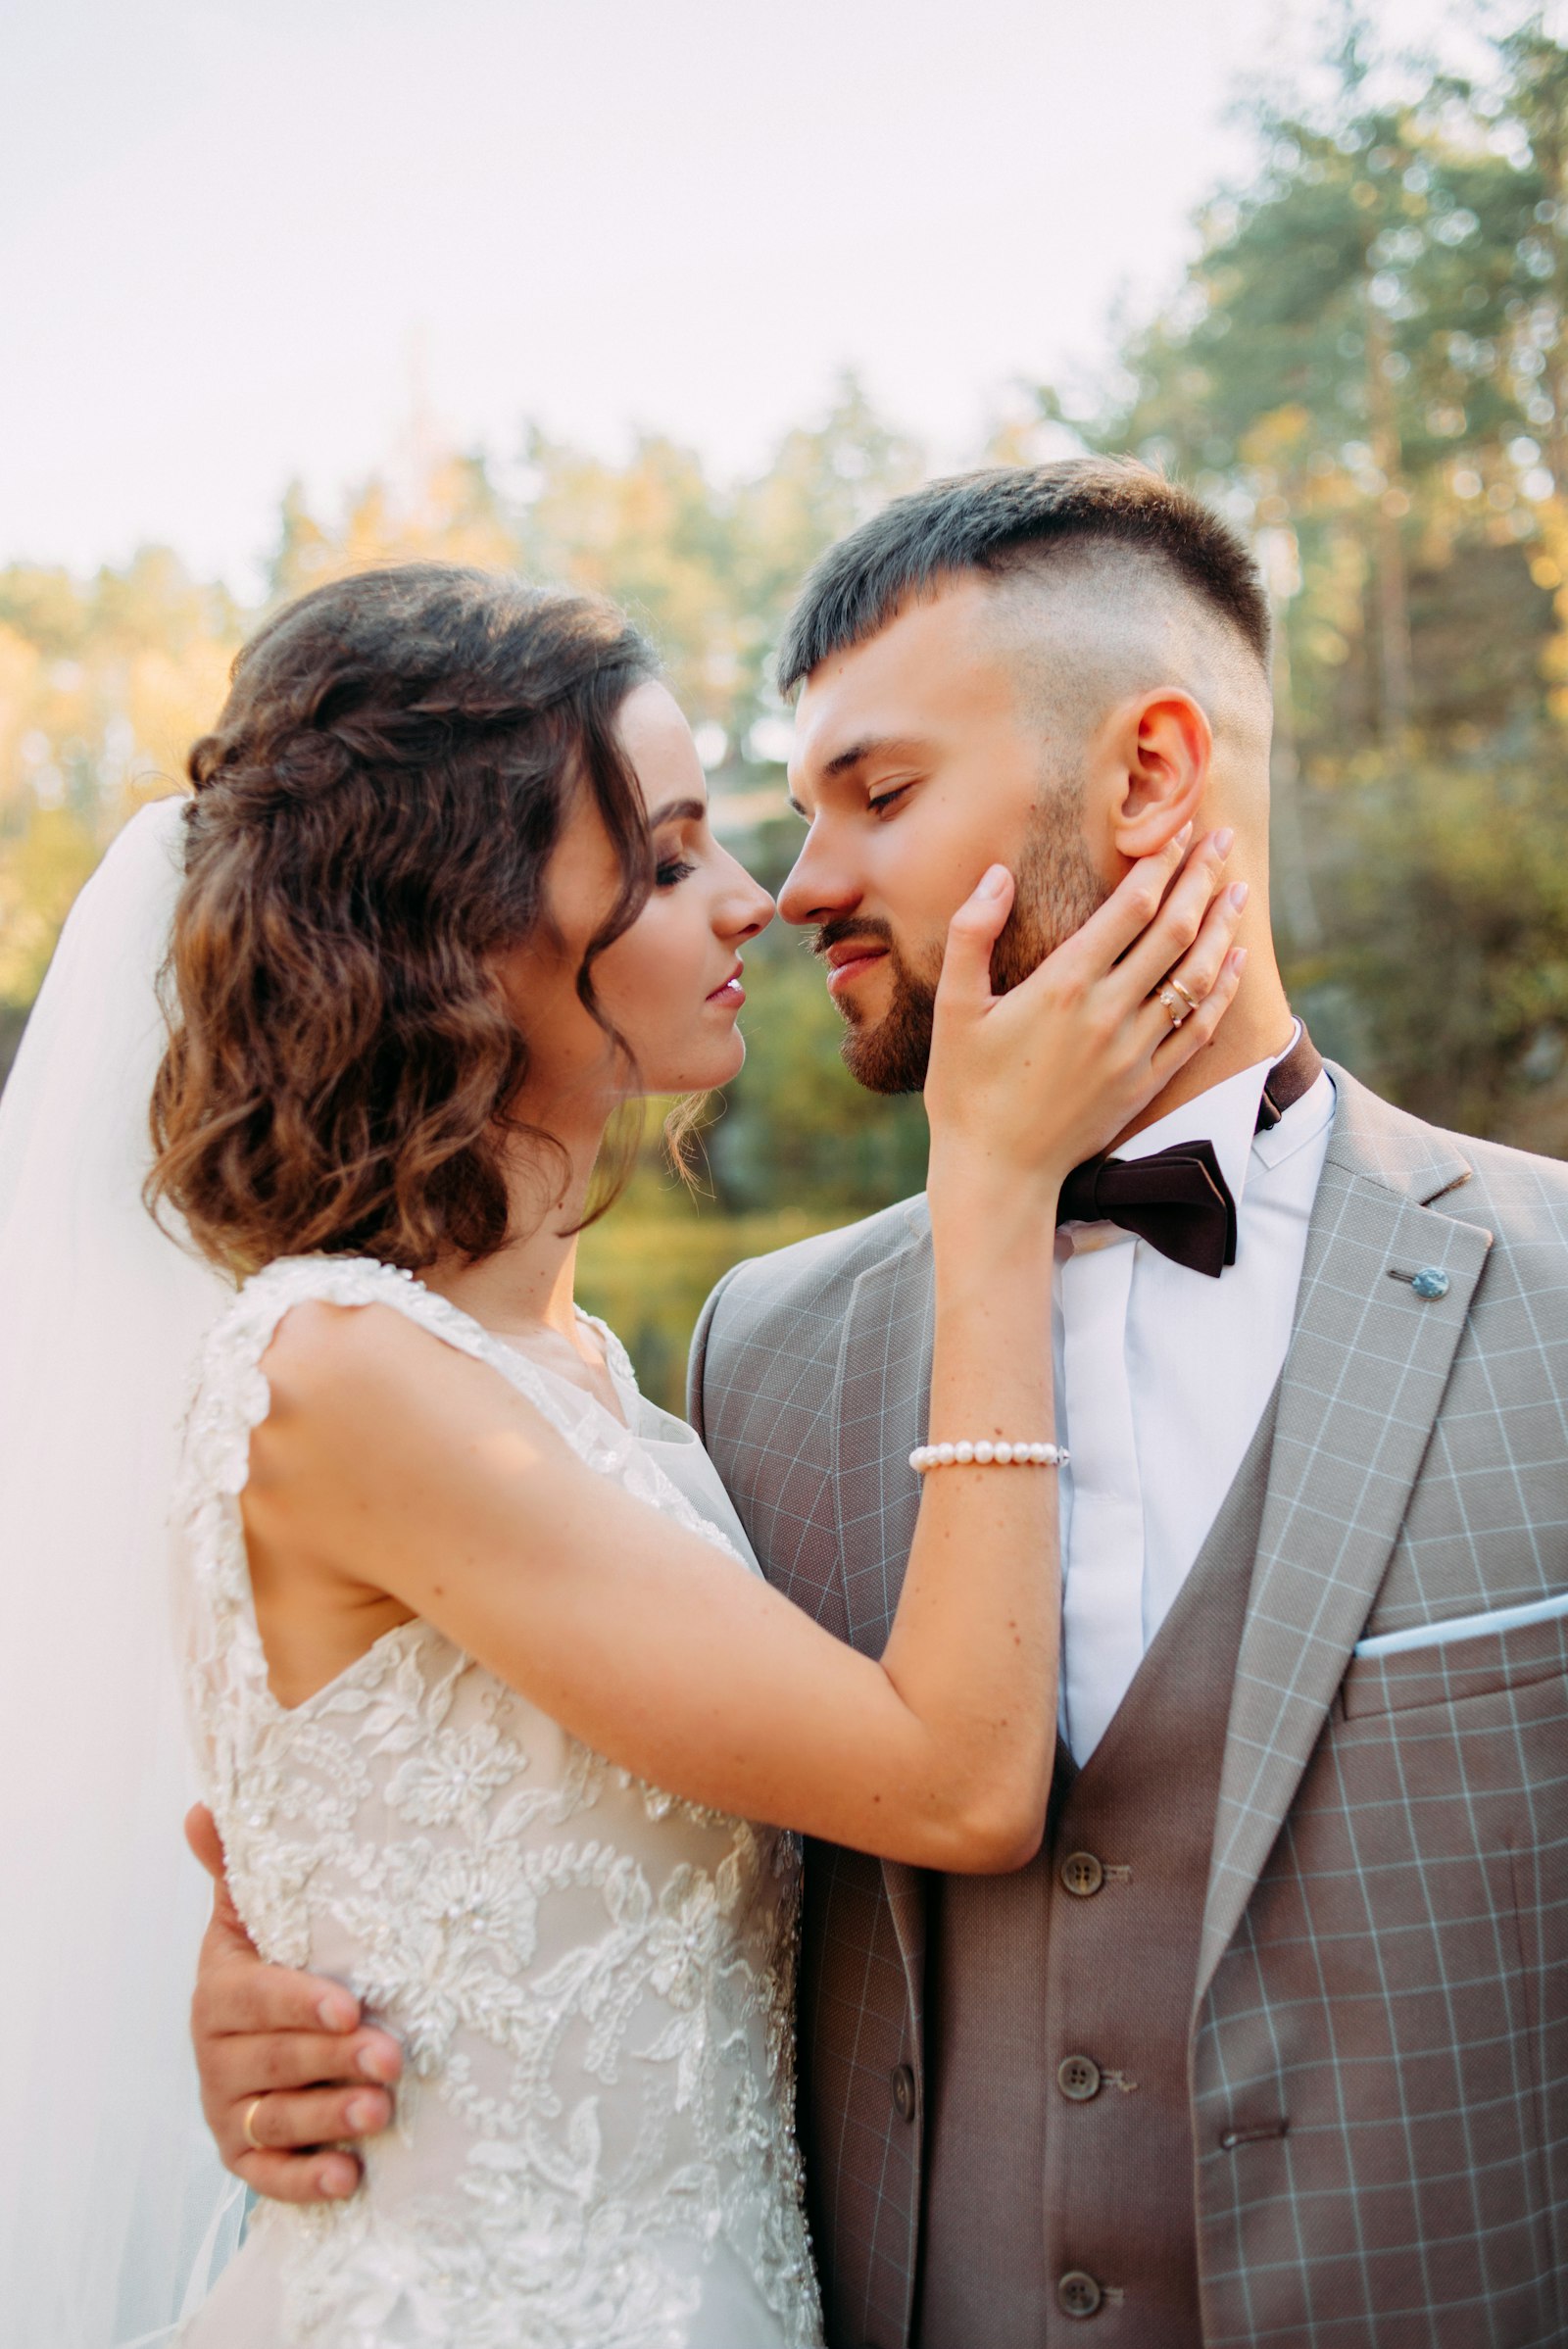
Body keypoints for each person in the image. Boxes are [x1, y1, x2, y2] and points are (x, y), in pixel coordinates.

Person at [205, 464, 1568, 2349]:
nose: (803, 884)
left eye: (883, 793)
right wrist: (314, 1997)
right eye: (741, 827)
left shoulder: (1554, 1298)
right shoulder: (752, 1356)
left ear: (1153, 771)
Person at [130, 557, 1242, 2348]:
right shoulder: (341, 1375)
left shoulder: (591, 1378)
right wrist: (991, 1193)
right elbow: (954, 1783)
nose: (754, 903)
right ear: (455, 926)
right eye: (662, 857)